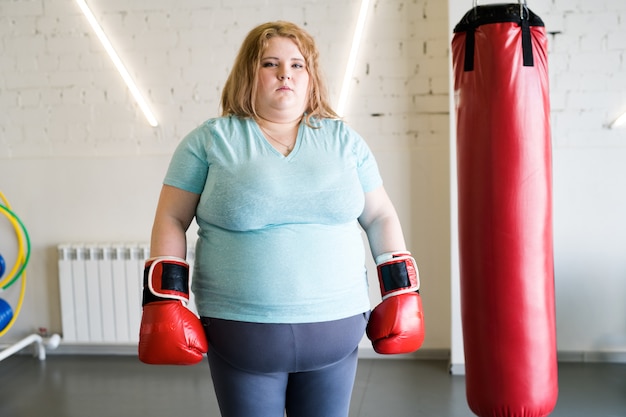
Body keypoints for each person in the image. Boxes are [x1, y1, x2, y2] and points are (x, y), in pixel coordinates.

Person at [138, 20, 425, 417]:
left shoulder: (344, 141)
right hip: (242, 333)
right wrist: (164, 299)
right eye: (270, 64)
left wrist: (401, 291)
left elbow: (379, 215)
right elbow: (171, 217)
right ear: (248, 75)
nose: (285, 74)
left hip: (337, 332)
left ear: (311, 79)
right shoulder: (210, 141)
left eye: (297, 65)